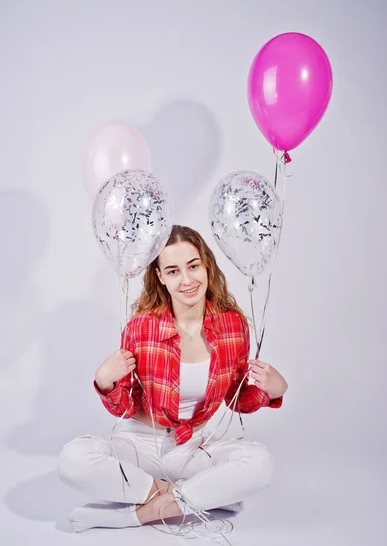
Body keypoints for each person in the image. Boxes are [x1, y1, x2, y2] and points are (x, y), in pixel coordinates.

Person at [57, 225, 288, 532]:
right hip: (140, 443)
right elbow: (124, 406)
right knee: (73, 458)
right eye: (173, 271)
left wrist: (272, 390)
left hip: (191, 448)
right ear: (161, 277)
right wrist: (105, 381)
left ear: (207, 266)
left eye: (193, 266)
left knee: (260, 463)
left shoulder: (234, 326)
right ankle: (197, 495)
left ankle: (134, 516)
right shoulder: (141, 327)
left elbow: (237, 399)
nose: (187, 280)